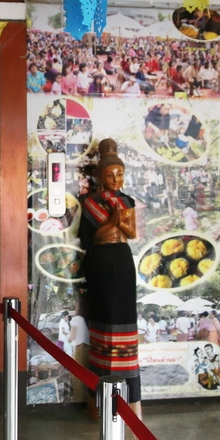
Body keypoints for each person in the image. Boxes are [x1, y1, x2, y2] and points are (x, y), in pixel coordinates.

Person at [78, 139, 142, 419]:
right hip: (100, 261)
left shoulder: (127, 201)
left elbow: (131, 233)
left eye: (120, 174)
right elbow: (91, 238)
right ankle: (99, 401)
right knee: (103, 321)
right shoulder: (91, 202)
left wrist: (117, 221)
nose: (116, 179)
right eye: (110, 175)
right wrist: (115, 221)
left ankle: (131, 401)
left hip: (123, 260)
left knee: (126, 321)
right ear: (99, 177)